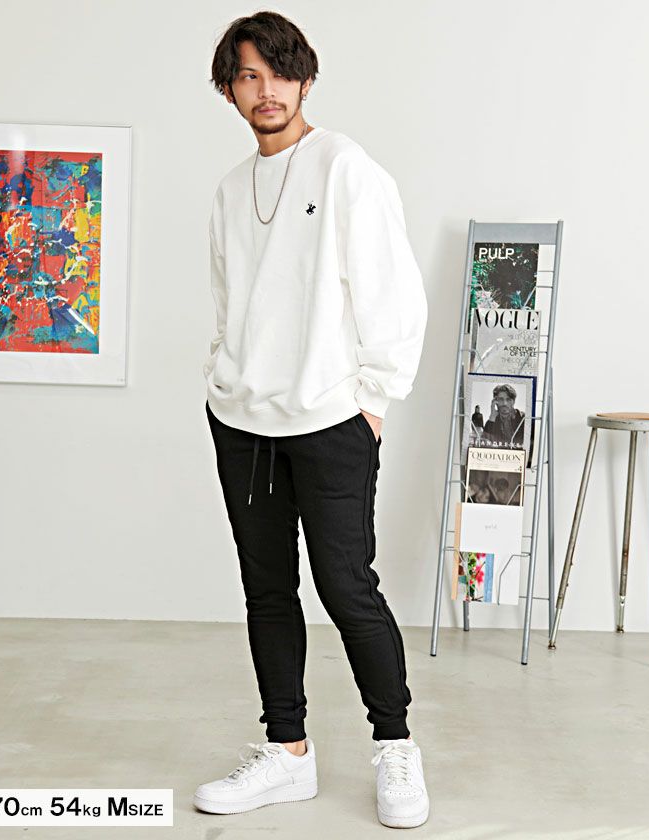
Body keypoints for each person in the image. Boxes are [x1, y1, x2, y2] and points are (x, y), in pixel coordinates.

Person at [194, 11, 430, 829]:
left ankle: (394, 745)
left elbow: (393, 293)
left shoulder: (345, 168)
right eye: (248, 76)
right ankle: (287, 753)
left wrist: (373, 404)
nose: (266, 90)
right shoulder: (230, 190)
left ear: (304, 79)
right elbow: (227, 301)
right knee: (267, 589)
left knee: (346, 586)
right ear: (230, 90)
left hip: (330, 419)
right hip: (241, 419)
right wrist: (221, 373)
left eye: (279, 73)